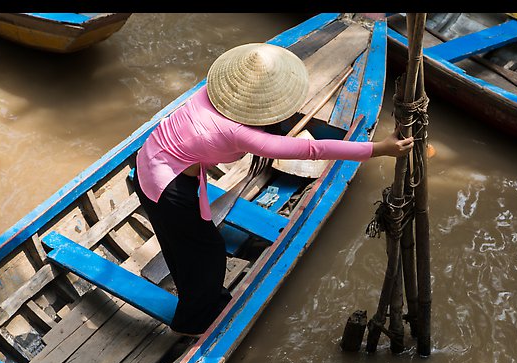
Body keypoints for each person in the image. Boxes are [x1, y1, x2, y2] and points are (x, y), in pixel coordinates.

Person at [133, 43, 414, 337]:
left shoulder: (209, 92)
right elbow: (314, 148)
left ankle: (198, 296)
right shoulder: (238, 133)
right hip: (168, 186)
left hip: (148, 160)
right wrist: (379, 148)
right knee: (210, 252)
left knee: (181, 245)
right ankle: (191, 322)